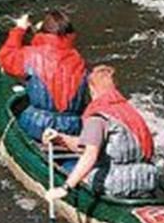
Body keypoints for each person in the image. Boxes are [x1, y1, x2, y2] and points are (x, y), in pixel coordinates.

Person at [43, 66, 157, 201]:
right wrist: (60, 138)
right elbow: (85, 145)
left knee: (68, 165)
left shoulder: (97, 118)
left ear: (92, 89)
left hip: (114, 185)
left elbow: (89, 154)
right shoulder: (129, 111)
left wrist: (65, 188)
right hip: (148, 180)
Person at [0, 9, 89, 141]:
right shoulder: (78, 59)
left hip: (37, 125)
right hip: (72, 127)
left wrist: (19, 29)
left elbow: (6, 58)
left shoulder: (31, 55)